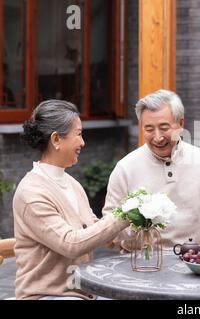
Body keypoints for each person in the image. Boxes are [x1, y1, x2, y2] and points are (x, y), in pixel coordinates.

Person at [13, 100, 130, 300]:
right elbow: (71, 244)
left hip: (80, 293)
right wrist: (122, 215)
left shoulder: (71, 184)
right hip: (45, 295)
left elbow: (94, 231)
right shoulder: (31, 193)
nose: (83, 142)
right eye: (78, 134)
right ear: (56, 139)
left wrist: (141, 221)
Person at [103, 89, 200, 249]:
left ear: (181, 124)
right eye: (149, 129)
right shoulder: (125, 168)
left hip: (194, 260)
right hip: (140, 263)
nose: (157, 137)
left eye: (164, 128)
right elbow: (110, 223)